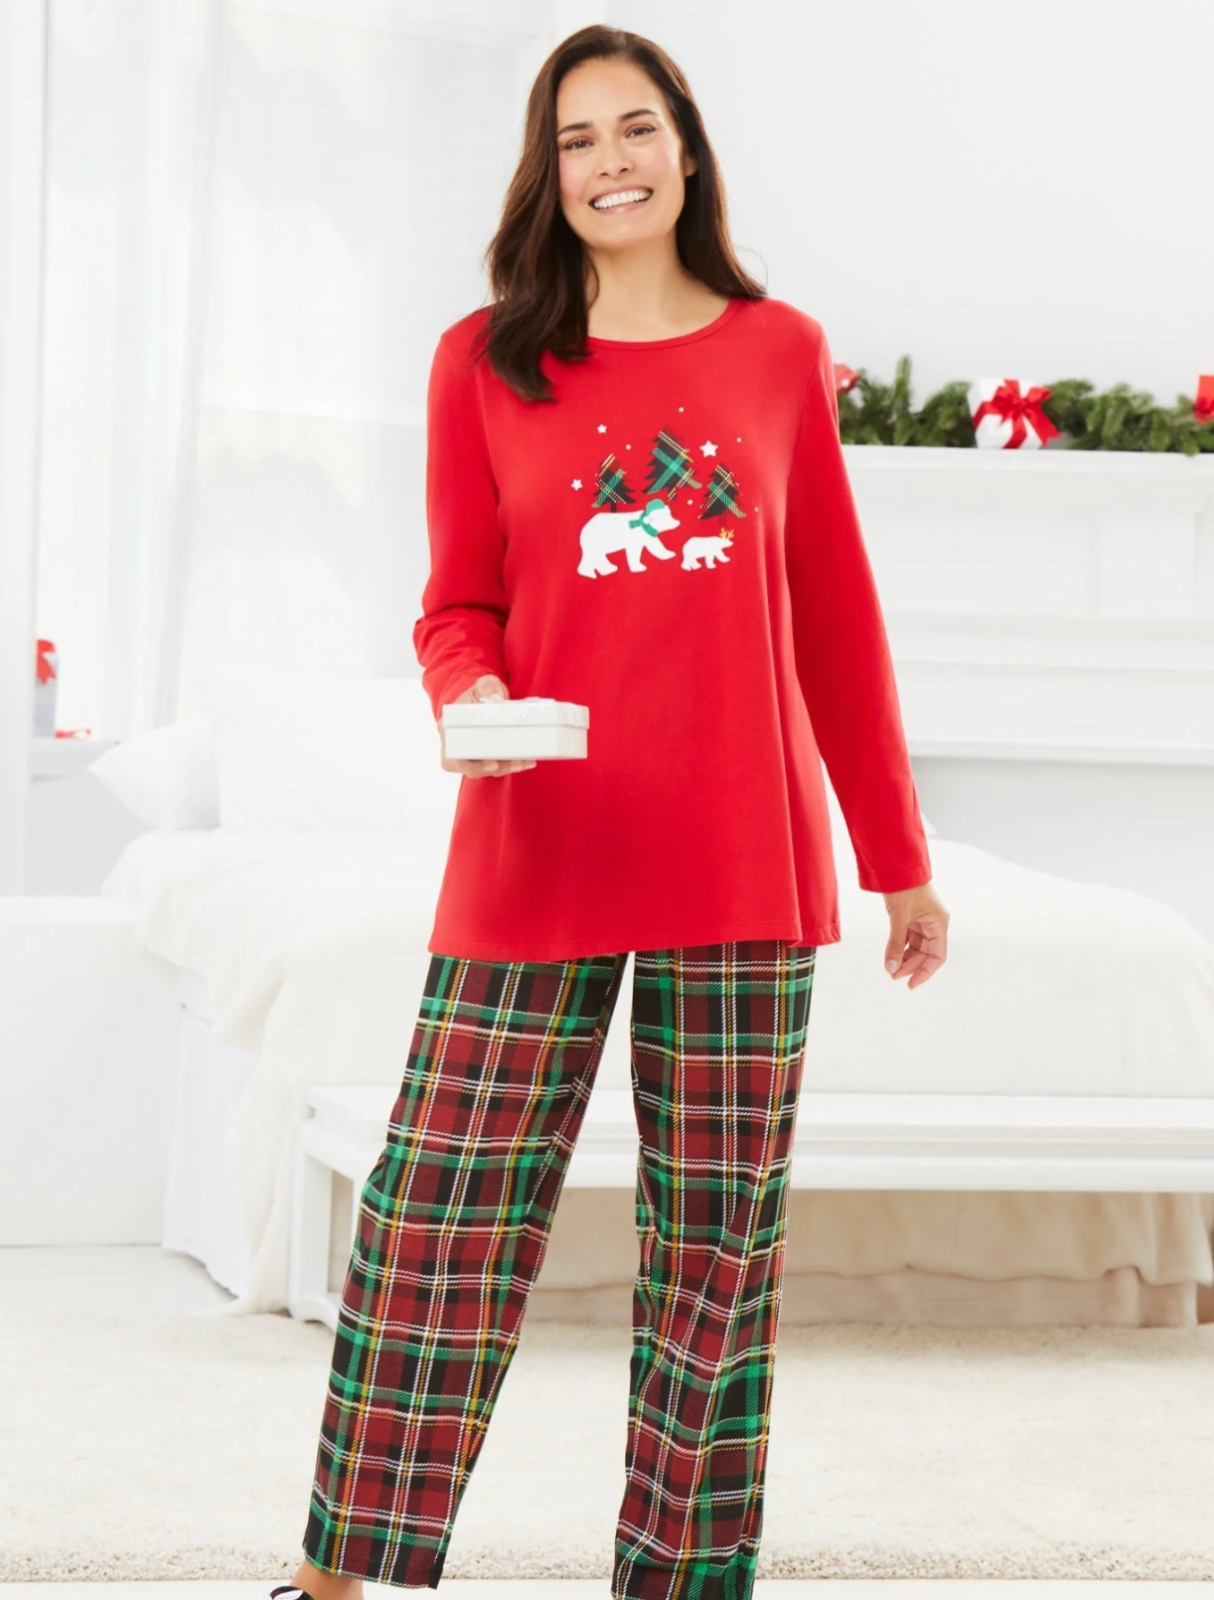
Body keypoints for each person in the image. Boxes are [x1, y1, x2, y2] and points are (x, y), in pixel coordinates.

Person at [274, 22, 949, 1600]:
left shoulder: (777, 352)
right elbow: (457, 603)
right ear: (547, 172)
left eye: (635, 129)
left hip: (741, 851)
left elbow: (834, 620)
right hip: (542, 841)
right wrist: (467, 700)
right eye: (575, 141)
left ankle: (682, 1582)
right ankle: (340, 1574)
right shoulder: (483, 359)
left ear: (686, 150)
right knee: (436, 1215)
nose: (610, 163)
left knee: (715, 1255)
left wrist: (896, 859)